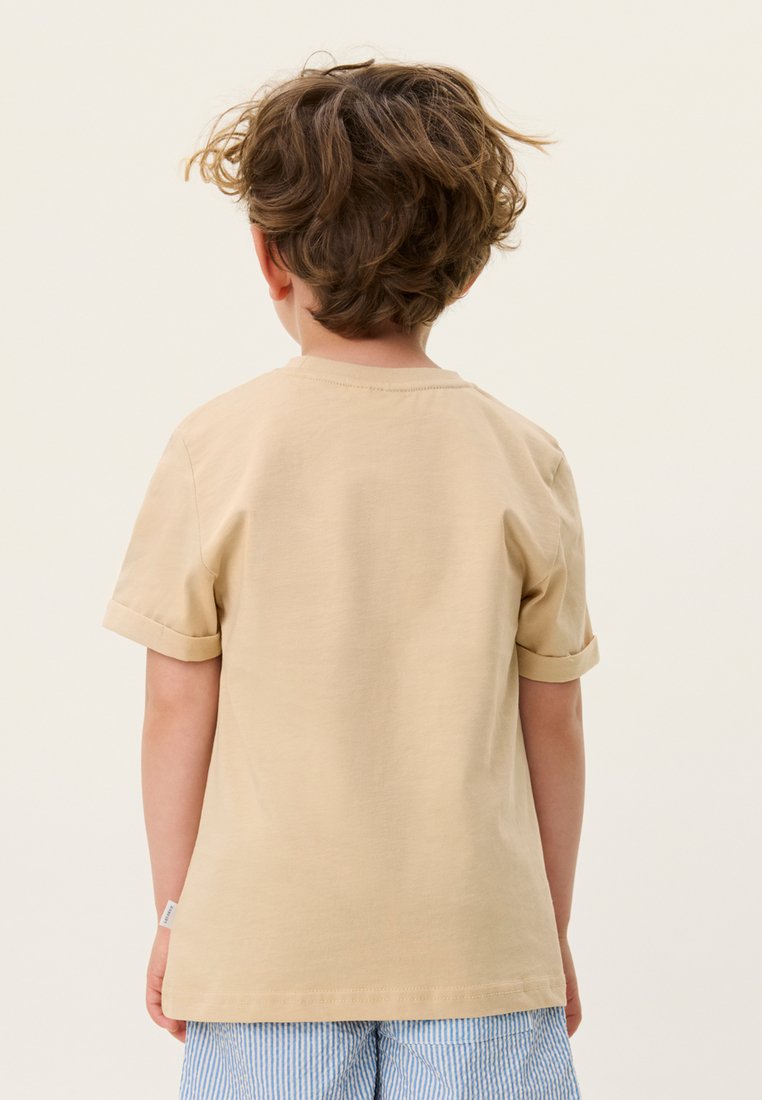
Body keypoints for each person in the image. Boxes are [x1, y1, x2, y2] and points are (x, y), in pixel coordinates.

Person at [101, 56, 601, 1100]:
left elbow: (175, 705)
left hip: (262, 946)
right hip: (475, 940)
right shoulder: (524, 457)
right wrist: (543, 930)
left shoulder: (214, 449)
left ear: (268, 255)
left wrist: (178, 915)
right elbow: (552, 720)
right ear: (466, 269)